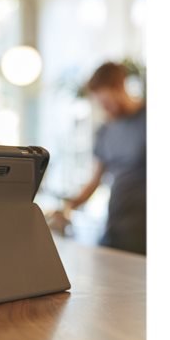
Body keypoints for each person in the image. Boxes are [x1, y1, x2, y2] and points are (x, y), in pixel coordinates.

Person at [65, 62, 146, 254]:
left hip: (144, 233)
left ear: (120, 86)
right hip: (116, 228)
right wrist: (68, 206)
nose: (105, 109)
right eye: (101, 104)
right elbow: (95, 180)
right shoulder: (105, 131)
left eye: (107, 103)